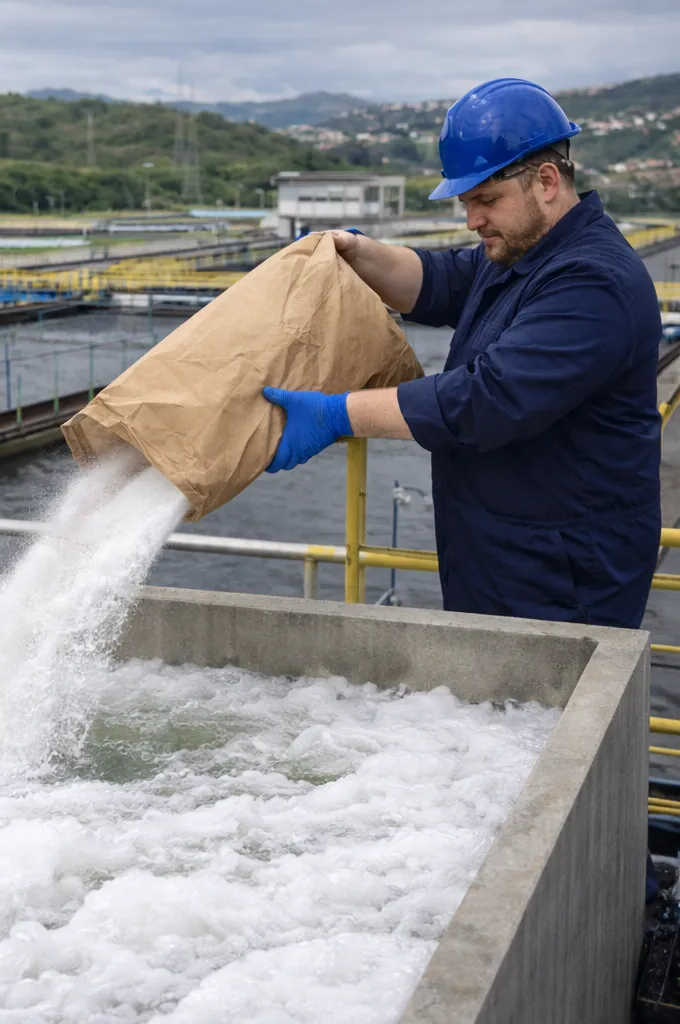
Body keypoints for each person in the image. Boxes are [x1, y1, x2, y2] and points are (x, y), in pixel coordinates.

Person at [263, 77, 664, 901]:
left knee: (550, 765)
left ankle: (575, 903)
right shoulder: (524, 252)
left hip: (565, 575)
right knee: (504, 752)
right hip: (507, 555)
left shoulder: (594, 284)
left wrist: (338, 414)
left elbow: (488, 399)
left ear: (546, 182)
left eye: (484, 200)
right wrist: (359, 253)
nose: (470, 219)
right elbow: (445, 282)